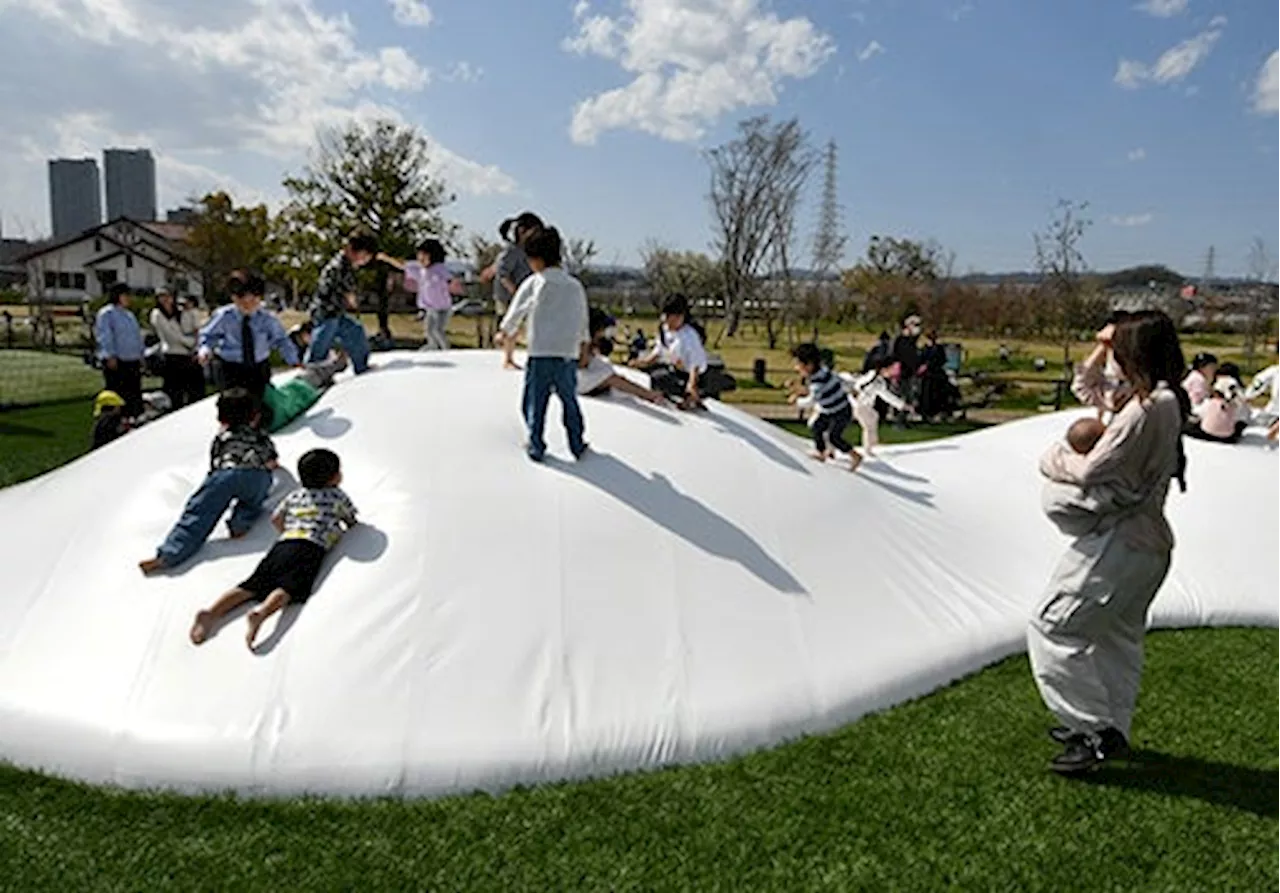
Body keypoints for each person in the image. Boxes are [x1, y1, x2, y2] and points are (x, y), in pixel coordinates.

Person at [1031, 311, 1189, 775]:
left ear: (1136, 354)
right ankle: (1110, 726)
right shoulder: (1157, 400)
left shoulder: (1145, 408)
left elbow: (1090, 469)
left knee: (1053, 625)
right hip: (1145, 545)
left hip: (1122, 542)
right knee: (1117, 637)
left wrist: (1051, 458)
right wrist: (1103, 344)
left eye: (1121, 349)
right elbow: (1087, 385)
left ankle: (1092, 729)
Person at [189, 448, 358, 650]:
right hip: (310, 547)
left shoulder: (295, 495)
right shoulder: (337, 496)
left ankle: (211, 612)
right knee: (288, 587)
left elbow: (276, 518)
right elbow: (350, 520)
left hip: (283, 544)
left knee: (252, 584)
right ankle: (262, 613)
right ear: (333, 478)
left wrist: (285, 532)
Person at [138, 389, 279, 575]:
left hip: (225, 474)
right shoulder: (261, 436)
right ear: (255, 416)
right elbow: (272, 461)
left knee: (199, 512)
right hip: (256, 475)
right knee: (252, 502)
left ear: (221, 419)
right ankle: (240, 525)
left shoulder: (222, 437)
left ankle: (169, 554)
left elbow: (214, 462)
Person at [498, 226, 590, 462]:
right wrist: (584, 344)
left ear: (535, 259)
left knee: (534, 403)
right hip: (566, 355)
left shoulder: (536, 282)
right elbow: (582, 318)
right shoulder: (575, 286)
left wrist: (505, 331)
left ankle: (536, 444)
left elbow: (517, 309)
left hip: (540, 354)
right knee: (569, 401)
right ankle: (577, 443)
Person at [197, 272, 300, 401]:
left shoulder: (267, 319)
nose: (247, 304)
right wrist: (205, 350)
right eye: (241, 300)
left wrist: (293, 361)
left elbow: (281, 340)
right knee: (234, 405)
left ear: (260, 298)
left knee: (262, 403)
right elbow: (208, 336)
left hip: (258, 368)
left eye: (252, 300)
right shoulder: (224, 316)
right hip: (231, 368)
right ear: (233, 298)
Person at [306, 230, 377, 374]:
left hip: (336, 312)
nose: (364, 261)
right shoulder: (339, 265)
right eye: (363, 257)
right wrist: (350, 297)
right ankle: (311, 371)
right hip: (325, 312)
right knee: (321, 341)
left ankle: (361, 366)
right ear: (352, 251)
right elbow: (343, 289)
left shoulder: (347, 264)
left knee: (355, 332)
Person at [789, 343, 862, 472]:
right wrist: (851, 389)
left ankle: (855, 456)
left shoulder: (817, 384)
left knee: (834, 437)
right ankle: (821, 452)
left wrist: (797, 401)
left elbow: (811, 401)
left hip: (841, 412)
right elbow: (839, 380)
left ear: (809, 365)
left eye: (799, 366)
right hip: (830, 409)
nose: (797, 369)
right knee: (817, 426)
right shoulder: (824, 371)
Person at [631, 295, 710, 411]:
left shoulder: (690, 336)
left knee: (661, 377)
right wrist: (640, 363)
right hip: (673, 370)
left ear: (681, 317)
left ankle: (689, 399)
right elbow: (658, 353)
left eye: (672, 319)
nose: (668, 323)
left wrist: (691, 385)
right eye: (666, 317)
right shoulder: (665, 330)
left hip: (689, 376)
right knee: (655, 375)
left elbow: (695, 365)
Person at [577, 308, 668, 405]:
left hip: (582, 373)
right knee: (612, 378)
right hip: (578, 380)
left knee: (609, 370)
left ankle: (635, 390)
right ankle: (648, 395)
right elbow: (582, 364)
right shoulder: (583, 341)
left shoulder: (590, 339)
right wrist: (588, 347)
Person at [379, 239, 454, 350]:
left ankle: (446, 350)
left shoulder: (439, 268)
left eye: (424, 256)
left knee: (437, 330)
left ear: (433, 256)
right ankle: (432, 347)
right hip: (430, 308)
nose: (420, 259)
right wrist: (386, 258)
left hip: (443, 309)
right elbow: (401, 264)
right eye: (419, 256)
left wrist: (452, 285)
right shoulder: (419, 268)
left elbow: (450, 280)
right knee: (429, 331)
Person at [838, 357, 909, 457]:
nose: (893, 372)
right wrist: (901, 405)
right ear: (884, 369)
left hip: (863, 405)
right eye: (891, 369)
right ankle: (868, 449)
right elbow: (884, 395)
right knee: (868, 425)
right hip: (860, 406)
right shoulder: (875, 380)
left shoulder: (877, 380)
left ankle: (872, 444)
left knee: (874, 417)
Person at [261, 353, 349, 433]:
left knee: (315, 374)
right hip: (302, 387)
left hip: (301, 390)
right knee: (316, 373)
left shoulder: (271, 425)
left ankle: (334, 364)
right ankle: (336, 364)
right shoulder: (268, 399)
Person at [95, 283, 146, 418]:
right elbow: (105, 336)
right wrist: (110, 355)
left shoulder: (129, 315)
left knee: (134, 393)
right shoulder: (107, 313)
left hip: (132, 360)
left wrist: (141, 354)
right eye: (126, 295)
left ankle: (133, 418)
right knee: (117, 393)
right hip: (118, 361)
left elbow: (137, 336)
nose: (129, 298)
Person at [150, 288, 204, 409]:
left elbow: (196, 327)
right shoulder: (157, 314)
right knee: (175, 393)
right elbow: (171, 336)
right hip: (173, 355)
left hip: (190, 355)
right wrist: (190, 343)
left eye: (167, 295)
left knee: (195, 391)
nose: (165, 299)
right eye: (161, 296)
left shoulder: (181, 311)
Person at [493, 212, 543, 321]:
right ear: (521, 231)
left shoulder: (530, 252)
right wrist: (518, 294)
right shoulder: (511, 252)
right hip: (508, 302)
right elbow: (503, 276)